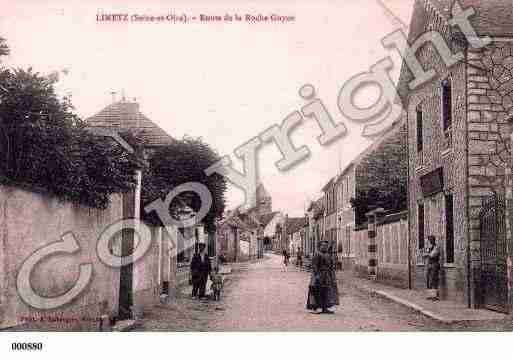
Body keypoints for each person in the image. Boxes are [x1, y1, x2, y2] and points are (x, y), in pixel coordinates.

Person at [306, 240, 339, 314]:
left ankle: (325, 308)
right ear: (320, 246)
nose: (325, 247)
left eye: (326, 246)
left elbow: (330, 265)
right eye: (323, 246)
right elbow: (314, 266)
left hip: (326, 276)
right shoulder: (317, 254)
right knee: (317, 291)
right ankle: (316, 307)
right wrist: (317, 275)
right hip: (319, 275)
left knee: (326, 291)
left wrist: (331, 273)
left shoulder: (327, 254)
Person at [423, 235, 440, 301]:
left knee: (433, 280)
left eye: (431, 240)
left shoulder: (436, 247)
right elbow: (424, 254)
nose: (430, 241)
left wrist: (427, 254)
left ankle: (435, 296)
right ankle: (430, 295)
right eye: (429, 240)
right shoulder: (429, 247)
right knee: (428, 280)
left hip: (434, 265)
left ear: (433, 240)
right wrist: (427, 254)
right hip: (429, 265)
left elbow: (432, 255)